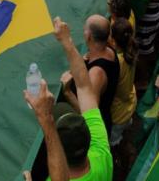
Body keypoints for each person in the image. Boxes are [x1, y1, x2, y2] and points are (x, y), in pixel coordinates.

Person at [23, 17, 113, 181]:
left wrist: (45, 118)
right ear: (89, 136)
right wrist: (66, 41)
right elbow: (84, 87)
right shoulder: (101, 155)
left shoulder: (101, 150)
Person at [62, 15, 119, 137]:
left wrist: (67, 92)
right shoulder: (109, 50)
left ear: (88, 37)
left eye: (84, 30)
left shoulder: (96, 74)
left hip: (96, 132)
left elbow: (89, 114)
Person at [109, 18, 137, 147]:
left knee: (114, 140)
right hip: (131, 101)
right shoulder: (133, 50)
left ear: (113, 41)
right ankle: (128, 127)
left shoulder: (117, 63)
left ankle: (120, 152)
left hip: (119, 114)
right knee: (127, 124)